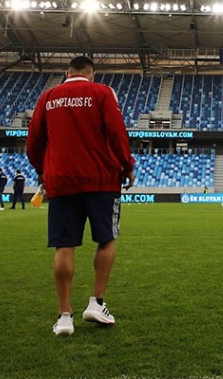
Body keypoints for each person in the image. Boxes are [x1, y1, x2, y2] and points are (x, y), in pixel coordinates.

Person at [26, 55, 135, 336]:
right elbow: (117, 132)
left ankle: (64, 315)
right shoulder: (101, 92)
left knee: (65, 246)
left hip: (61, 180)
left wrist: (43, 170)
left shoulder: (48, 96)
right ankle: (96, 303)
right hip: (101, 179)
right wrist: (127, 166)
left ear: (67, 72)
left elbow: (33, 142)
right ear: (92, 74)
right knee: (106, 239)